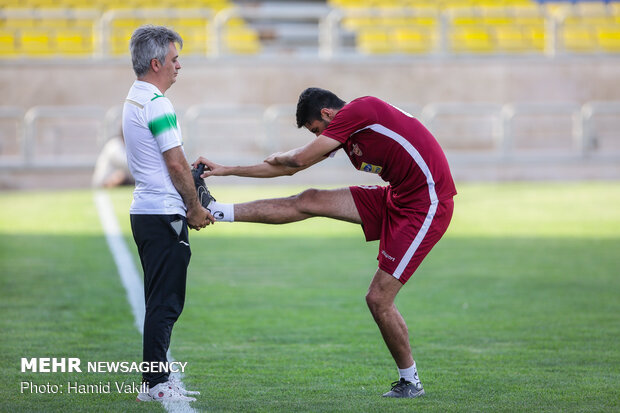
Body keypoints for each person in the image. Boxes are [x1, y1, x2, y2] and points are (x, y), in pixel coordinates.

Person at [194, 87, 457, 398]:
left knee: (378, 299)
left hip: (426, 205)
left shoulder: (359, 111)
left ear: (328, 114)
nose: (317, 136)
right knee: (309, 199)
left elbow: (299, 159)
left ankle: (411, 383)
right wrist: (226, 170)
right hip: (398, 197)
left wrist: (282, 156)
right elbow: (292, 168)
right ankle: (215, 210)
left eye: (316, 130)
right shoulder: (345, 130)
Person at [122, 24, 214, 403]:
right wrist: (194, 207)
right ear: (157, 62)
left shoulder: (135, 97)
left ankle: (156, 379)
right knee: (166, 302)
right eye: (175, 59)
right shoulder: (157, 103)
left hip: (147, 210)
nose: (180, 66)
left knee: (160, 300)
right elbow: (175, 164)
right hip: (163, 213)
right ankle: (157, 383)